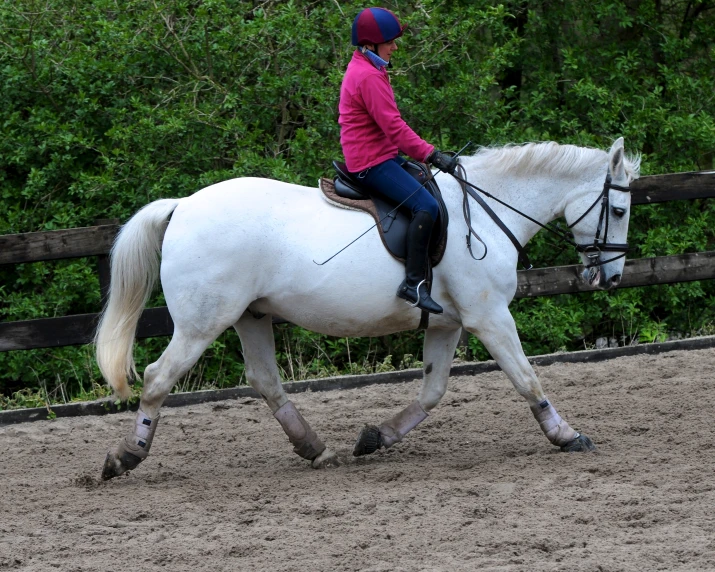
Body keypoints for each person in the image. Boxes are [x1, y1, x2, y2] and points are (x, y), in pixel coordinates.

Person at [339, 7, 457, 315]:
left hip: (381, 153)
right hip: (370, 162)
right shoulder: (368, 76)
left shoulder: (368, 67)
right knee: (426, 206)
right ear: (371, 44)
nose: (395, 46)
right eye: (390, 41)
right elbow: (394, 126)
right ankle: (413, 283)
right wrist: (431, 154)